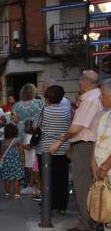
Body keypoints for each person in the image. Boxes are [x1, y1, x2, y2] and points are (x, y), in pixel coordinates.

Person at [50, 70, 103, 231]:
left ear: (84, 82)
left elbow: (77, 127)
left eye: (80, 81)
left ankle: (87, 223)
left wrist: (60, 141)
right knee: (91, 186)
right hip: (86, 145)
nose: (79, 84)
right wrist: (70, 146)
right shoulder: (93, 97)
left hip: (85, 147)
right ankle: (94, 219)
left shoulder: (90, 100)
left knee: (83, 186)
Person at [34, 85, 71, 213]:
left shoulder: (43, 110)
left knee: (47, 178)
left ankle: (48, 205)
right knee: (61, 177)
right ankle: (61, 206)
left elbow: (35, 126)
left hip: (45, 148)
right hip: (62, 148)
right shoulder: (66, 111)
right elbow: (69, 129)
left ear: (47, 97)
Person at [88, 78, 111, 231]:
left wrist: (105, 165)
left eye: (103, 95)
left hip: (108, 168)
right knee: (104, 204)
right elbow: (97, 142)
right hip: (101, 169)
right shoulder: (104, 116)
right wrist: (94, 163)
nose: (101, 98)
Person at [0, 123, 24, 199]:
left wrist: (1, 161)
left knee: (7, 179)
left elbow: (1, 153)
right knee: (16, 179)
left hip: (6, 163)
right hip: (16, 163)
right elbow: (21, 152)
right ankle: (17, 194)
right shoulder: (17, 141)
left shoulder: (3, 141)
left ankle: (7, 193)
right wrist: (22, 161)